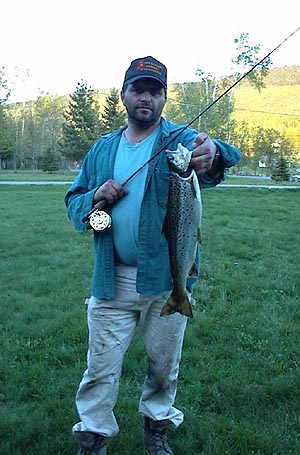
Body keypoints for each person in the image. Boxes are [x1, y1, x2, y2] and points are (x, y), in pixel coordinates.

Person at [65, 55, 242, 455]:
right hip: (112, 279)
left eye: (154, 91)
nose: (146, 97)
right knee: (100, 368)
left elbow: (223, 158)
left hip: (167, 280)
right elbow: (75, 203)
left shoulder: (180, 141)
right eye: (138, 89)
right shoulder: (102, 150)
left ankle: (156, 428)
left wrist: (213, 153)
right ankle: (93, 436)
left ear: (164, 98)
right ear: (124, 94)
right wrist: (95, 197)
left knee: (164, 366)